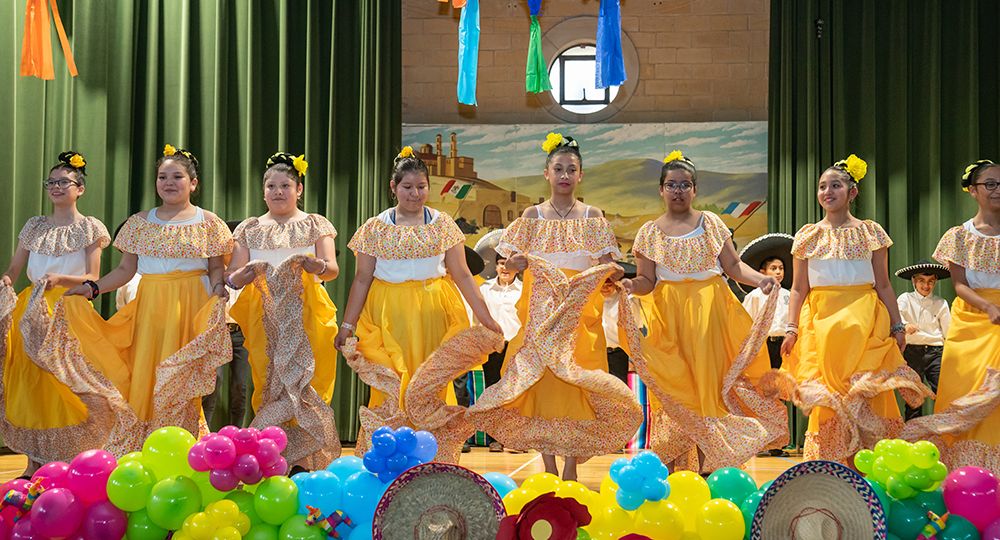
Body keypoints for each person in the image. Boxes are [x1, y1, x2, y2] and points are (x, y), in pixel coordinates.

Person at [480, 132, 638, 481]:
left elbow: (606, 262)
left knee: (576, 382)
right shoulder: (532, 216)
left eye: (571, 169)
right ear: (547, 173)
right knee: (545, 385)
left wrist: (610, 272)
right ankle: (549, 464)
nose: (565, 175)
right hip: (541, 311)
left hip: (579, 312)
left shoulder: (592, 216)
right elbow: (509, 258)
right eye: (558, 168)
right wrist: (520, 261)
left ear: (581, 175)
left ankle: (570, 465)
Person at [58, 144, 234, 452]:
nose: (168, 182)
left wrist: (219, 288)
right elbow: (125, 270)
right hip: (151, 308)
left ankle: (181, 449)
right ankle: (145, 449)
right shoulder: (140, 223)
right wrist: (93, 288)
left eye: (177, 176)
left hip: (191, 308)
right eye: (162, 176)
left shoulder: (209, 223)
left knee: (181, 383)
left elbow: (216, 268)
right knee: (146, 378)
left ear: (193, 183)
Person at [621, 150, 786, 473]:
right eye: (672, 185)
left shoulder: (710, 223)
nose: (678, 190)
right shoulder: (649, 232)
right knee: (676, 388)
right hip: (669, 317)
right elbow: (646, 280)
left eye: (685, 184)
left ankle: (713, 464)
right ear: (661, 190)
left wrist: (761, 280)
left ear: (695, 190)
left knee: (710, 388)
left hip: (710, 313)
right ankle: (678, 466)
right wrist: (630, 286)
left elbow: (735, 267)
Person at [335, 147, 501, 455]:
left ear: (429, 187)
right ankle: (389, 456)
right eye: (407, 187)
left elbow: (463, 275)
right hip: (388, 315)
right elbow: (361, 278)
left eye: (421, 187)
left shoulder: (442, 223)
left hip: (432, 314)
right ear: (394, 188)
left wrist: (486, 318)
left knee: (430, 385)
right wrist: (347, 325)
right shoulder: (375, 227)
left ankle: (435, 457)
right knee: (392, 383)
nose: (415, 193)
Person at [780, 154, 930, 463]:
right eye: (822, 186)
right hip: (822, 324)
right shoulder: (808, 235)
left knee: (867, 391)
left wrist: (897, 325)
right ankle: (832, 464)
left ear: (853, 192)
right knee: (830, 395)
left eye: (835, 185)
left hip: (865, 320)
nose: (827, 192)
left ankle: (871, 465)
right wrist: (791, 328)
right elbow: (798, 288)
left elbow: (884, 284)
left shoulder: (870, 232)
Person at [226, 152, 341, 468]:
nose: (278, 192)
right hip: (265, 316)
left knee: (308, 382)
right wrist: (241, 276)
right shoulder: (249, 229)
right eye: (271, 186)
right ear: (263, 191)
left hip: (307, 314)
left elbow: (332, 269)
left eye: (285, 185)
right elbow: (232, 276)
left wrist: (319, 266)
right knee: (268, 382)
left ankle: (311, 460)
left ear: (299, 188)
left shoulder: (315, 224)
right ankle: (272, 457)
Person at [0, 151, 110, 472]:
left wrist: (60, 279)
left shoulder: (89, 228)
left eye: (64, 182)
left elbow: (93, 277)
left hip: (68, 308)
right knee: (32, 386)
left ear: (80, 189)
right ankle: (34, 462)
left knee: (67, 386)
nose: (56, 187)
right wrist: (6, 280)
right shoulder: (34, 226)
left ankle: (73, 461)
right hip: (30, 309)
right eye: (52, 182)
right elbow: (15, 268)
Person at [903, 160, 1000, 473]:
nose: (997, 190)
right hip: (972, 321)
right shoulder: (959, 236)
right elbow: (959, 285)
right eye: (990, 184)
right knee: (966, 393)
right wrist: (987, 307)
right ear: (972, 190)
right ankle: (965, 471)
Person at [476, 253, 523, 452]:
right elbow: (476, 317)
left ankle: (516, 438)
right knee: (493, 393)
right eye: (500, 264)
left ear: (517, 268)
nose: (504, 268)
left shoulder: (524, 290)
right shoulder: (484, 289)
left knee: (515, 393)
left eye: (508, 264)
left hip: (517, 348)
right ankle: (495, 437)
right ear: (495, 266)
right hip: (492, 348)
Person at [894, 259, 950, 420]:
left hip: (935, 352)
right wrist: (905, 326)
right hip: (912, 351)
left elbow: (948, 331)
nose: (926, 286)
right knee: (913, 397)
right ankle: (913, 435)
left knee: (942, 391)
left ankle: (943, 430)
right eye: (921, 281)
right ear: (914, 281)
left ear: (935, 282)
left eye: (930, 282)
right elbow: (897, 318)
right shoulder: (905, 299)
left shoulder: (941, 303)